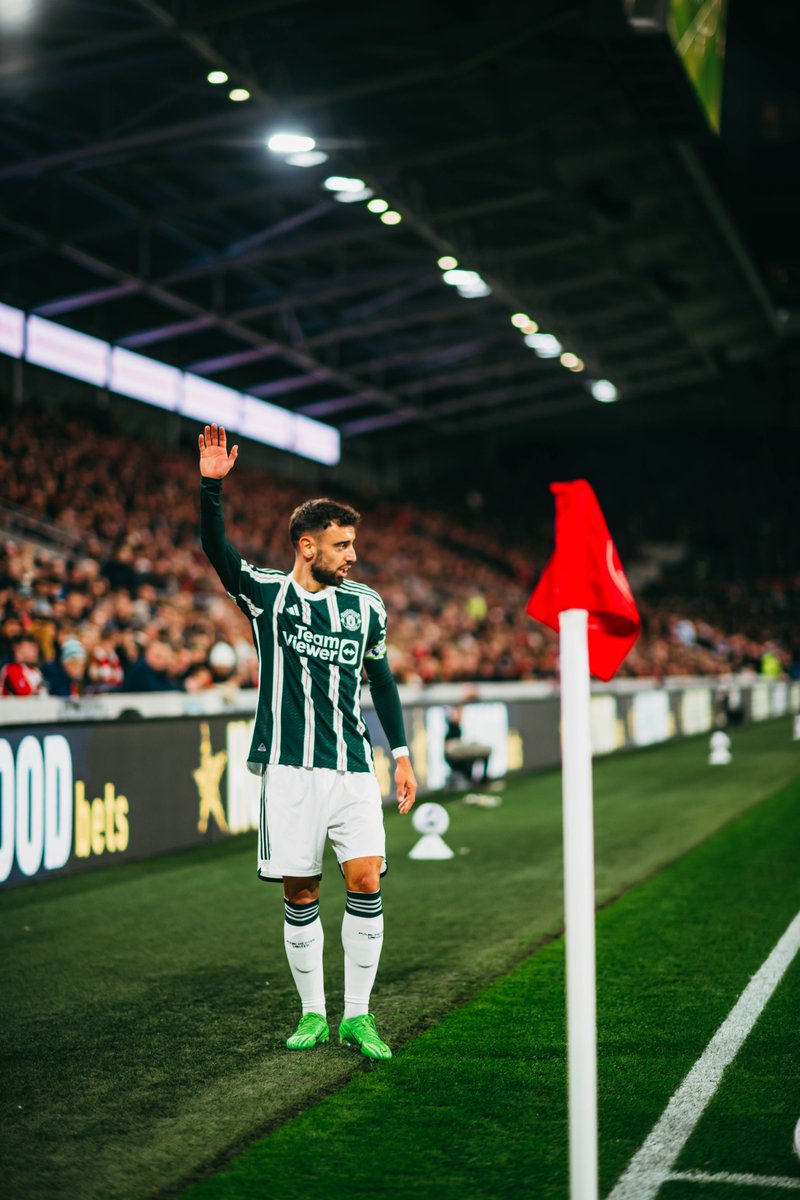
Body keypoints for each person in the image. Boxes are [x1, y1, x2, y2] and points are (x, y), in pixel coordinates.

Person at [198, 424, 417, 1061]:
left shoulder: (366, 606)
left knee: (366, 881)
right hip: (289, 770)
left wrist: (401, 755)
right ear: (307, 545)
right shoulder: (267, 596)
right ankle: (314, 1014)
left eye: (354, 545)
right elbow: (217, 550)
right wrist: (211, 488)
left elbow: (383, 681)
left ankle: (359, 1016)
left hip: (353, 768)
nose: (352, 556)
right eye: (342, 545)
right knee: (301, 894)